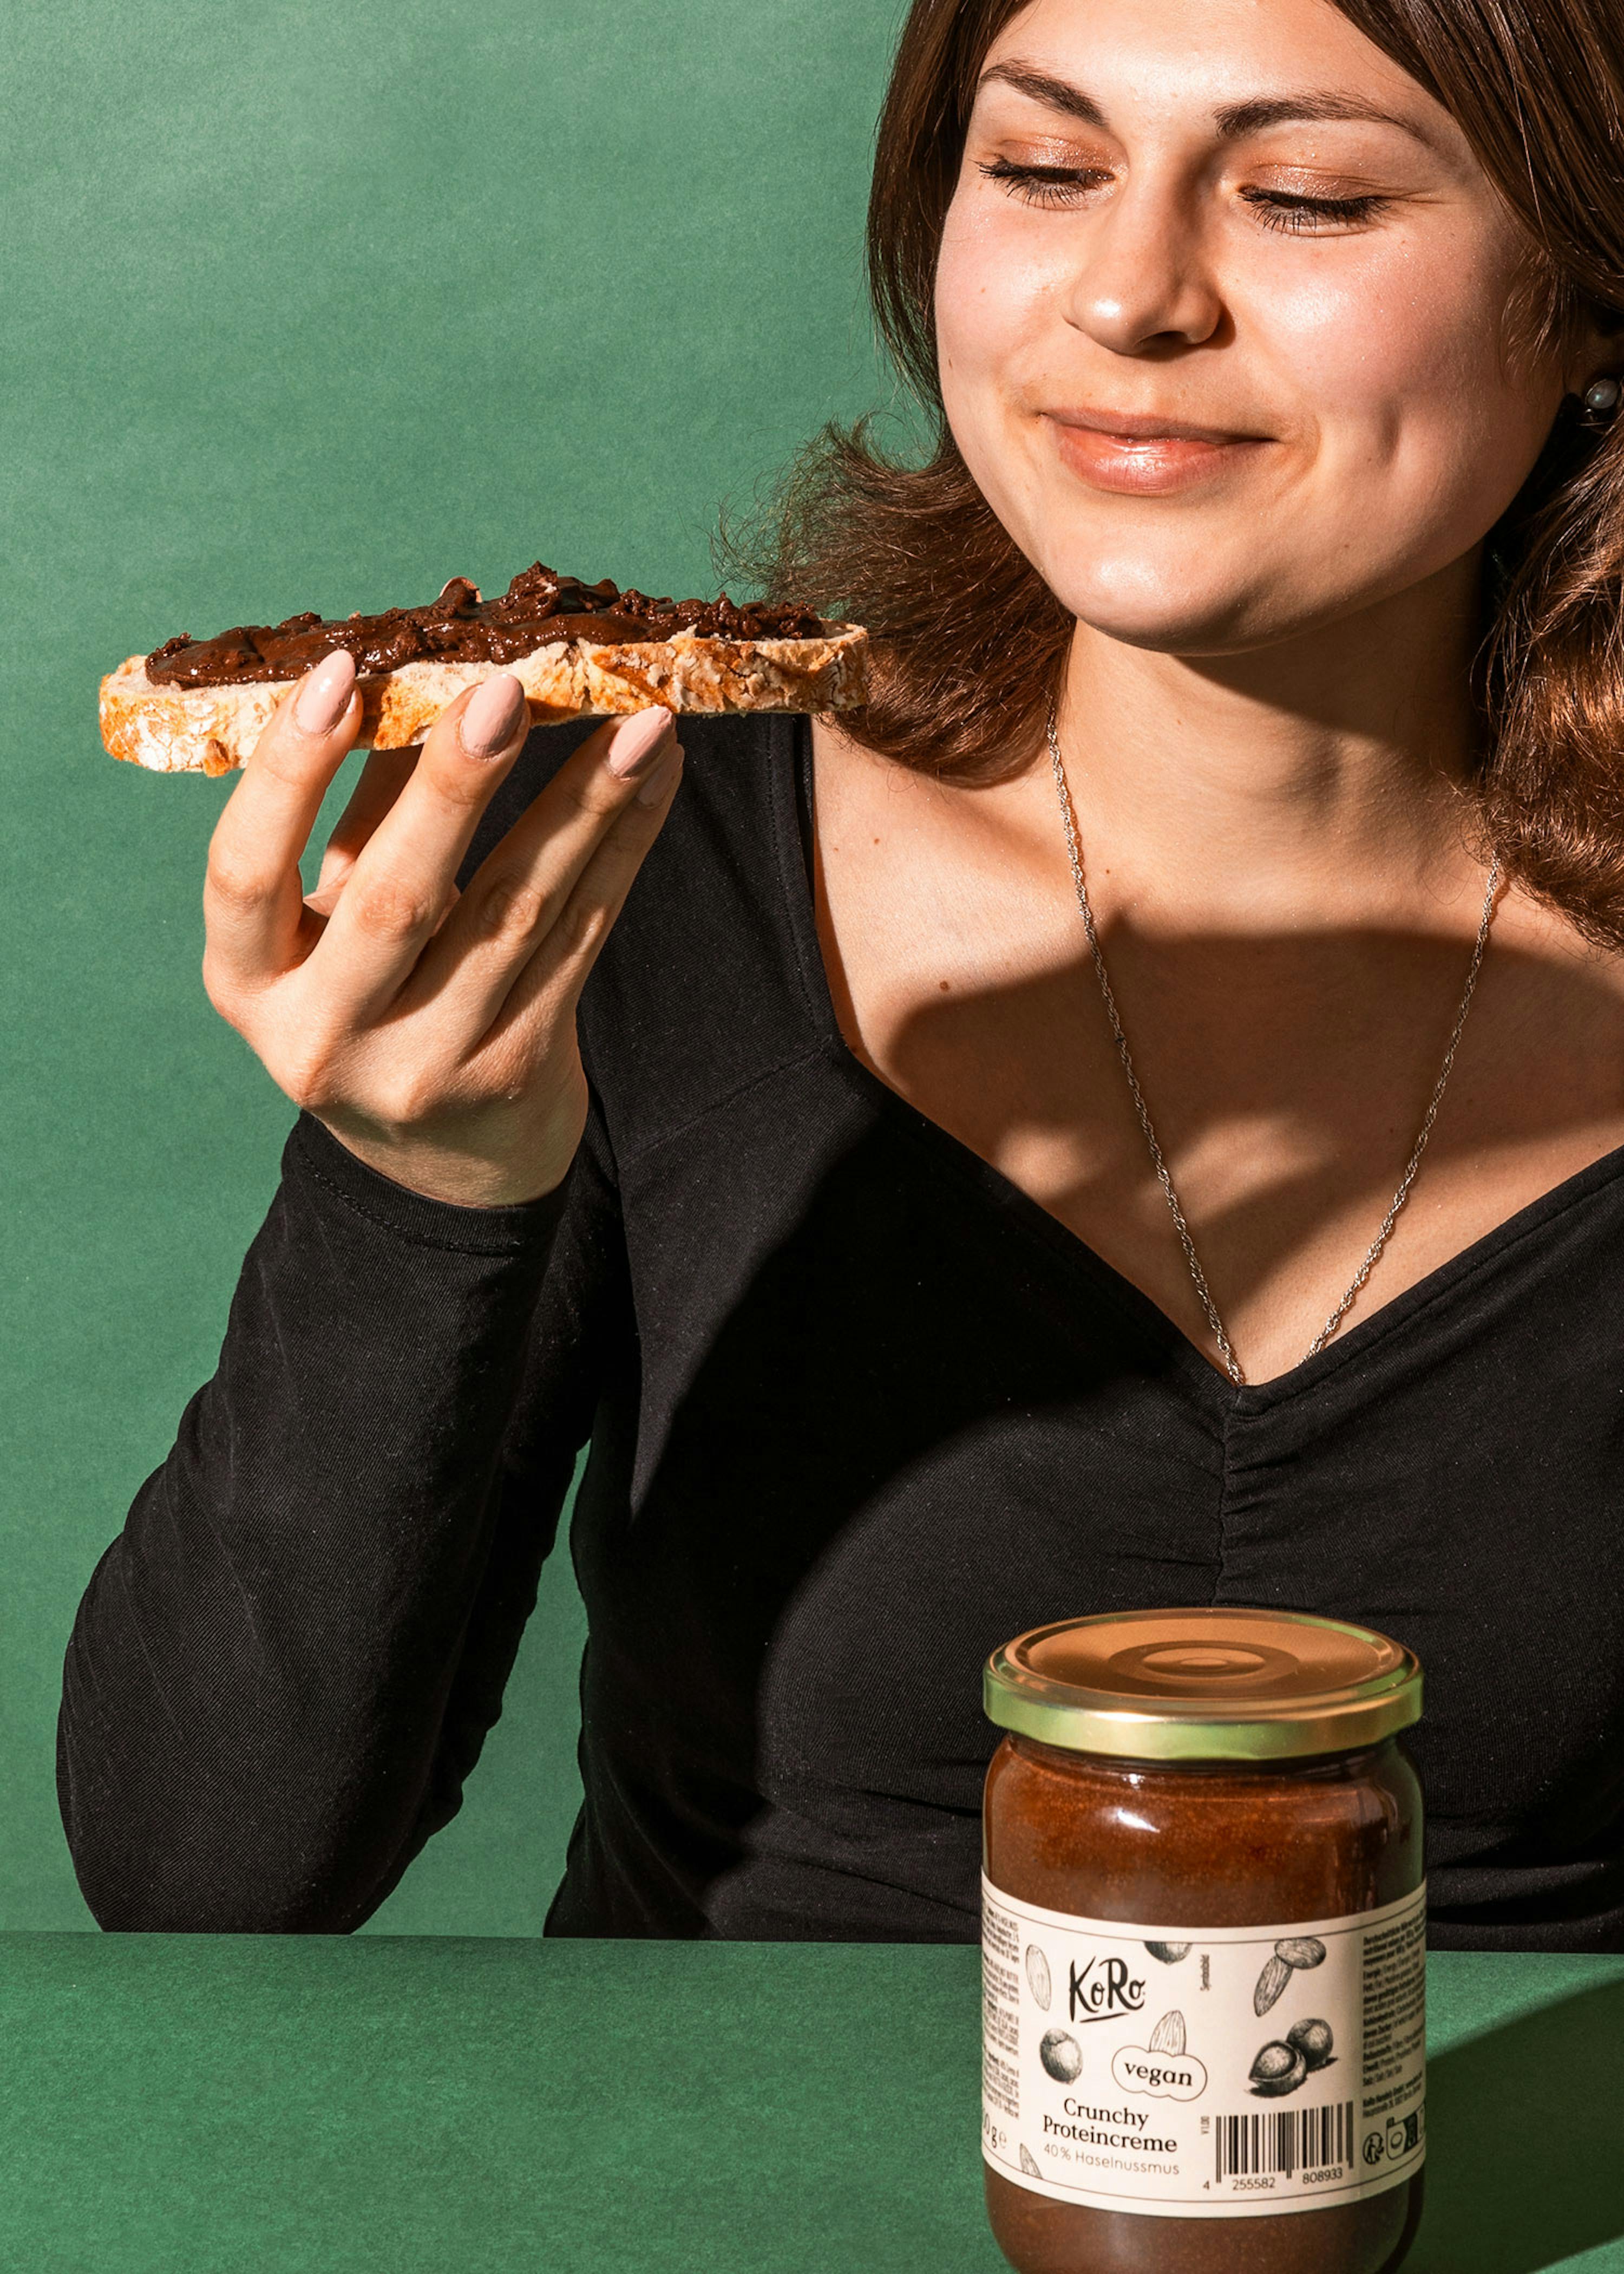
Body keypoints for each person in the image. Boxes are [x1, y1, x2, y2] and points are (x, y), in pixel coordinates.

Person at [60, 0, 1624, 1948]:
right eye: (1043, 167)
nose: (1128, 296)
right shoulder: (643, 849)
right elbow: (202, 1879)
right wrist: (422, 1187)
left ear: (1583, 292)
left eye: (1306, 196)